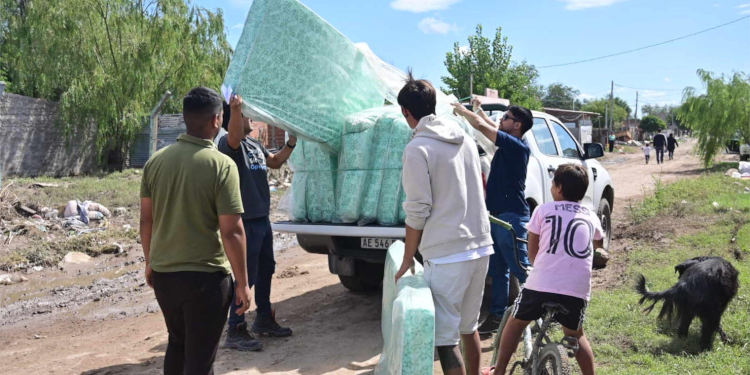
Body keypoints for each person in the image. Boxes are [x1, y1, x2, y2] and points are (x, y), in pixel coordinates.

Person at [140, 86, 252, 375]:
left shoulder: (155, 162)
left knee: (177, 344)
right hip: (206, 280)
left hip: (165, 276)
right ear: (217, 120)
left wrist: (150, 262)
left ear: (186, 118)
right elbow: (232, 231)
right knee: (200, 361)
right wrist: (242, 282)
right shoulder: (222, 166)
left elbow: (147, 221)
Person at [395, 73, 493, 375]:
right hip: (480, 247)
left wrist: (408, 257)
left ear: (407, 113)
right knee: (469, 327)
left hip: (447, 254)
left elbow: (417, 211)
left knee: (446, 340)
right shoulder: (461, 137)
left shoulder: (417, 149)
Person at [486, 164, 603, 375]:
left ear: (558, 188)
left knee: (515, 324)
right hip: (576, 290)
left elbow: (533, 253)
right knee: (576, 335)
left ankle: (499, 371)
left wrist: (539, 264)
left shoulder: (543, 210)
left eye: (552, 183)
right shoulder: (591, 215)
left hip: (541, 285)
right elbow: (597, 245)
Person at [218, 94, 296, 351]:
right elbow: (234, 135)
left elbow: (274, 161)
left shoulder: (254, 145)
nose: (251, 116)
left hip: (262, 219)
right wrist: (236, 108)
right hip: (245, 222)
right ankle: (236, 327)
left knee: (266, 269)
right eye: (245, 114)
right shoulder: (231, 145)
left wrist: (291, 143)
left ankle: (263, 318)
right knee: (245, 275)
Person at [452, 98, 534, 336]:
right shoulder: (511, 141)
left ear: (517, 125)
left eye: (506, 117)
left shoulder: (517, 146)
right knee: (498, 270)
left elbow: (481, 127)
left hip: (511, 219)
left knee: (521, 270)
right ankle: (498, 316)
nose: (501, 119)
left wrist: (463, 111)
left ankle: (534, 316)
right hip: (497, 217)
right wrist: (477, 109)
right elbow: (489, 124)